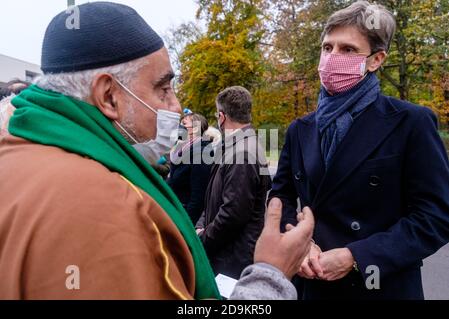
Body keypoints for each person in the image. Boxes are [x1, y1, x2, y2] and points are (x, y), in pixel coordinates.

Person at [0, 2, 314, 300]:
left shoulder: (17, 152)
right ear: (109, 96)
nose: (176, 107)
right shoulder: (110, 205)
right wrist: (270, 274)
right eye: (163, 88)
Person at [270, 0, 449, 300]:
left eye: (348, 49)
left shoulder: (411, 122)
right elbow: (281, 196)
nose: (332, 57)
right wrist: (298, 242)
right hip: (311, 283)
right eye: (327, 48)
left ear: (376, 60)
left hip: (380, 287)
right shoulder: (300, 129)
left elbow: (436, 216)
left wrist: (356, 256)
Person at [196, 86, 272, 279]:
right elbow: (214, 196)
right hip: (226, 252)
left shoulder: (243, 153)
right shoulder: (236, 146)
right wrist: (201, 224)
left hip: (233, 260)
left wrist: (203, 239)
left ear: (221, 117)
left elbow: (233, 214)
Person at [168, 113, 213, 224]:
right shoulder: (182, 149)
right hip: (175, 211)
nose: (179, 127)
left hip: (184, 217)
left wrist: (185, 225)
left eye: (183, 124)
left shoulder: (202, 153)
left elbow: (198, 199)